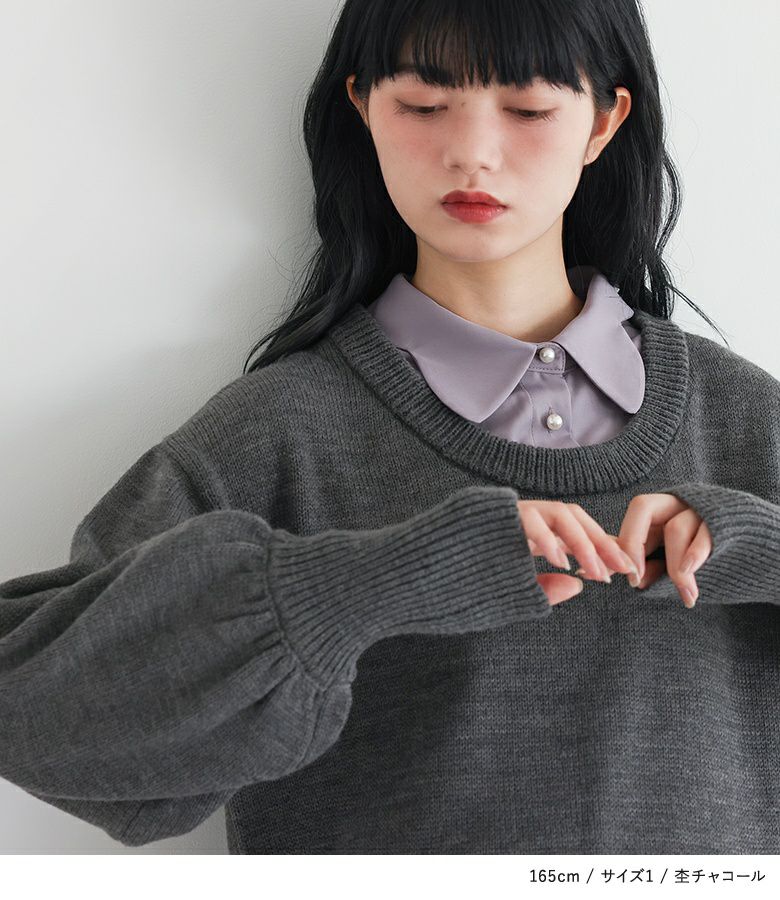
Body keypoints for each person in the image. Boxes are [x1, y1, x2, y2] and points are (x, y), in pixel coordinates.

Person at [1, 0, 778, 854]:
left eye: (527, 109)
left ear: (603, 121)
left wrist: (762, 549)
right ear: (363, 107)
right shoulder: (278, 432)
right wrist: (368, 584)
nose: (472, 152)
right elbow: (32, 710)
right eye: (423, 104)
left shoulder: (743, 417)